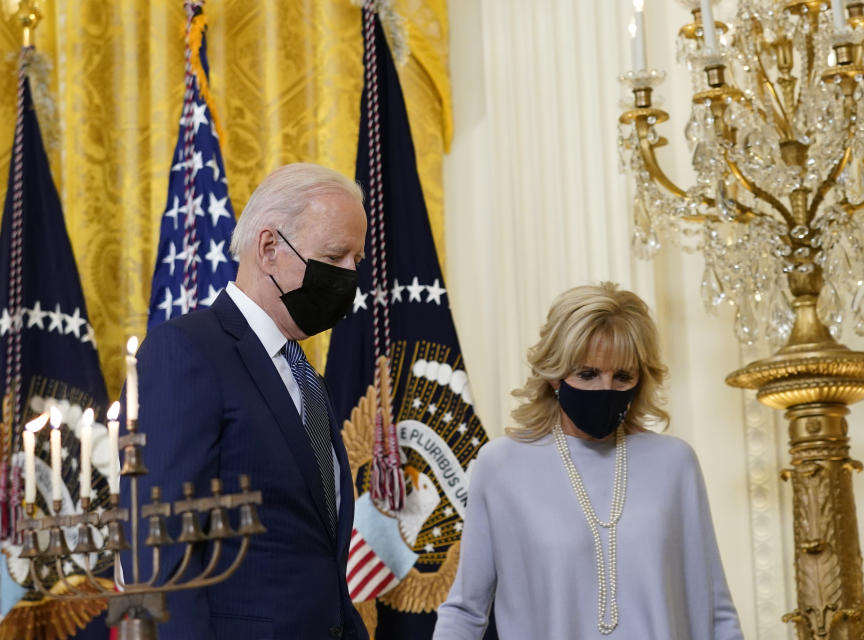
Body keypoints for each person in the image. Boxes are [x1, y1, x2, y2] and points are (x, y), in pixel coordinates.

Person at [129, 163, 370, 639]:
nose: (349, 276)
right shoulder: (186, 351)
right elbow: (160, 555)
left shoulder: (307, 379)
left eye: (356, 261)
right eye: (335, 255)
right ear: (269, 248)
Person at [433, 283, 743, 639]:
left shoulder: (676, 464)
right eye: (588, 373)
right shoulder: (500, 466)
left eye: (622, 376)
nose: (605, 389)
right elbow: (466, 611)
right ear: (554, 374)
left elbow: (716, 610)